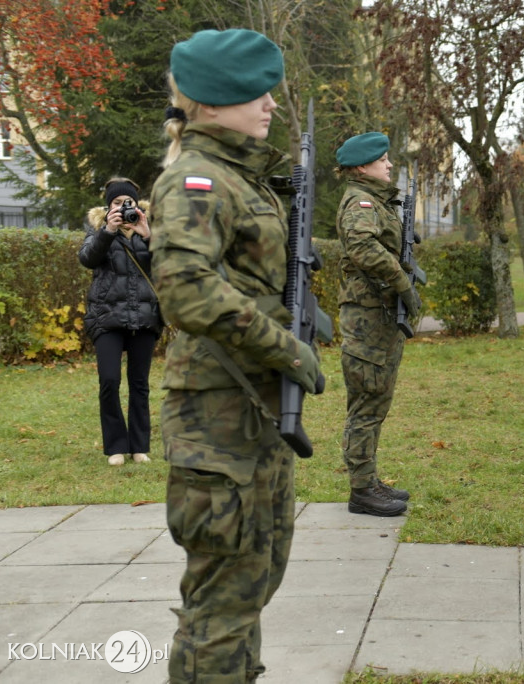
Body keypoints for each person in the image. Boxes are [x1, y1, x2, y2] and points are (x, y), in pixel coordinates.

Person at [149, 28, 322, 681]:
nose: (271, 102)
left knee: (255, 584)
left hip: (250, 416)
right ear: (214, 102)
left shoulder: (236, 174)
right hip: (217, 423)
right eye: (255, 91)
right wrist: (286, 347)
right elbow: (189, 294)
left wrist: (295, 312)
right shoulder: (199, 180)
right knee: (221, 609)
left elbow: (240, 280)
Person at [334, 132, 419, 517]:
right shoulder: (360, 201)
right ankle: (362, 490)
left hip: (377, 319)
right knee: (367, 402)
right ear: (363, 166)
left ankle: (368, 481)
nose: (389, 165)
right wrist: (402, 282)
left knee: (376, 400)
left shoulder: (375, 202)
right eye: (383, 160)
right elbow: (362, 247)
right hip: (366, 320)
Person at [78, 177, 162, 466]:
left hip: (144, 317)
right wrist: (108, 231)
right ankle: (116, 446)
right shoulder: (99, 230)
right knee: (109, 381)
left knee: (139, 383)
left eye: (129, 202)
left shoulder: (147, 228)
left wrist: (148, 235)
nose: (124, 207)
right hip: (107, 318)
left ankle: (139, 447)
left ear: (137, 205)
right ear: (108, 205)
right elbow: (88, 258)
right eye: (117, 203)